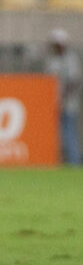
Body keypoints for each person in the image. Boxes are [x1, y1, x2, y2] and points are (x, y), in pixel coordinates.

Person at [45, 29, 81, 165]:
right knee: (57, 134)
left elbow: (73, 81)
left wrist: (63, 98)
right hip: (54, 103)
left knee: (69, 132)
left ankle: (74, 161)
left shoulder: (70, 59)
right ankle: (59, 160)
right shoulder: (52, 60)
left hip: (69, 104)